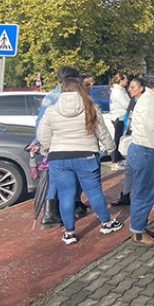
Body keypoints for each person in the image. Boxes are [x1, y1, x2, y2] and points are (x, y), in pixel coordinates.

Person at [37, 78, 123, 244]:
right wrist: (111, 148)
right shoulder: (90, 107)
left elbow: (42, 135)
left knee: (65, 195)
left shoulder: (51, 110)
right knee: (94, 192)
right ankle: (107, 222)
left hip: (58, 158)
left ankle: (69, 232)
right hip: (86, 155)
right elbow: (102, 131)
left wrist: (48, 148)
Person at [29, 65, 86, 229]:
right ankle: (50, 215)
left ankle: (54, 212)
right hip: (59, 143)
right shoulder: (63, 96)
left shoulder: (51, 95)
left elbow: (41, 121)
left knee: (55, 177)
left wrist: (39, 141)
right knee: (56, 178)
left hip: (51, 142)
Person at [127, 70, 154, 247]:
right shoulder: (148, 103)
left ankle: (140, 227)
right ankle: (138, 232)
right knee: (144, 193)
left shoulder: (152, 100)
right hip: (146, 150)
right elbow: (153, 132)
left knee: (146, 192)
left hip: (148, 150)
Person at [111, 77, 146, 206]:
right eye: (129, 86)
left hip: (141, 140)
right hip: (131, 137)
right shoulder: (132, 100)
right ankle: (126, 194)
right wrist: (126, 130)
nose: (129, 89)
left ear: (141, 89)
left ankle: (141, 195)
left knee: (140, 169)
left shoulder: (145, 102)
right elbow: (128, 116)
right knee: (129, 168)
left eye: (132, 87)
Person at [110, 73, 131, 170]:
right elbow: (125, 104)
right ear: (121, 80)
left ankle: (118, 160)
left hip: (123, 117)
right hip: (119, 117)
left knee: (120, 139)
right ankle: (114, 162)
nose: (127, 81)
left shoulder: (121, 90)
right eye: (125, 79)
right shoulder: (117, 91)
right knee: (117, 139)